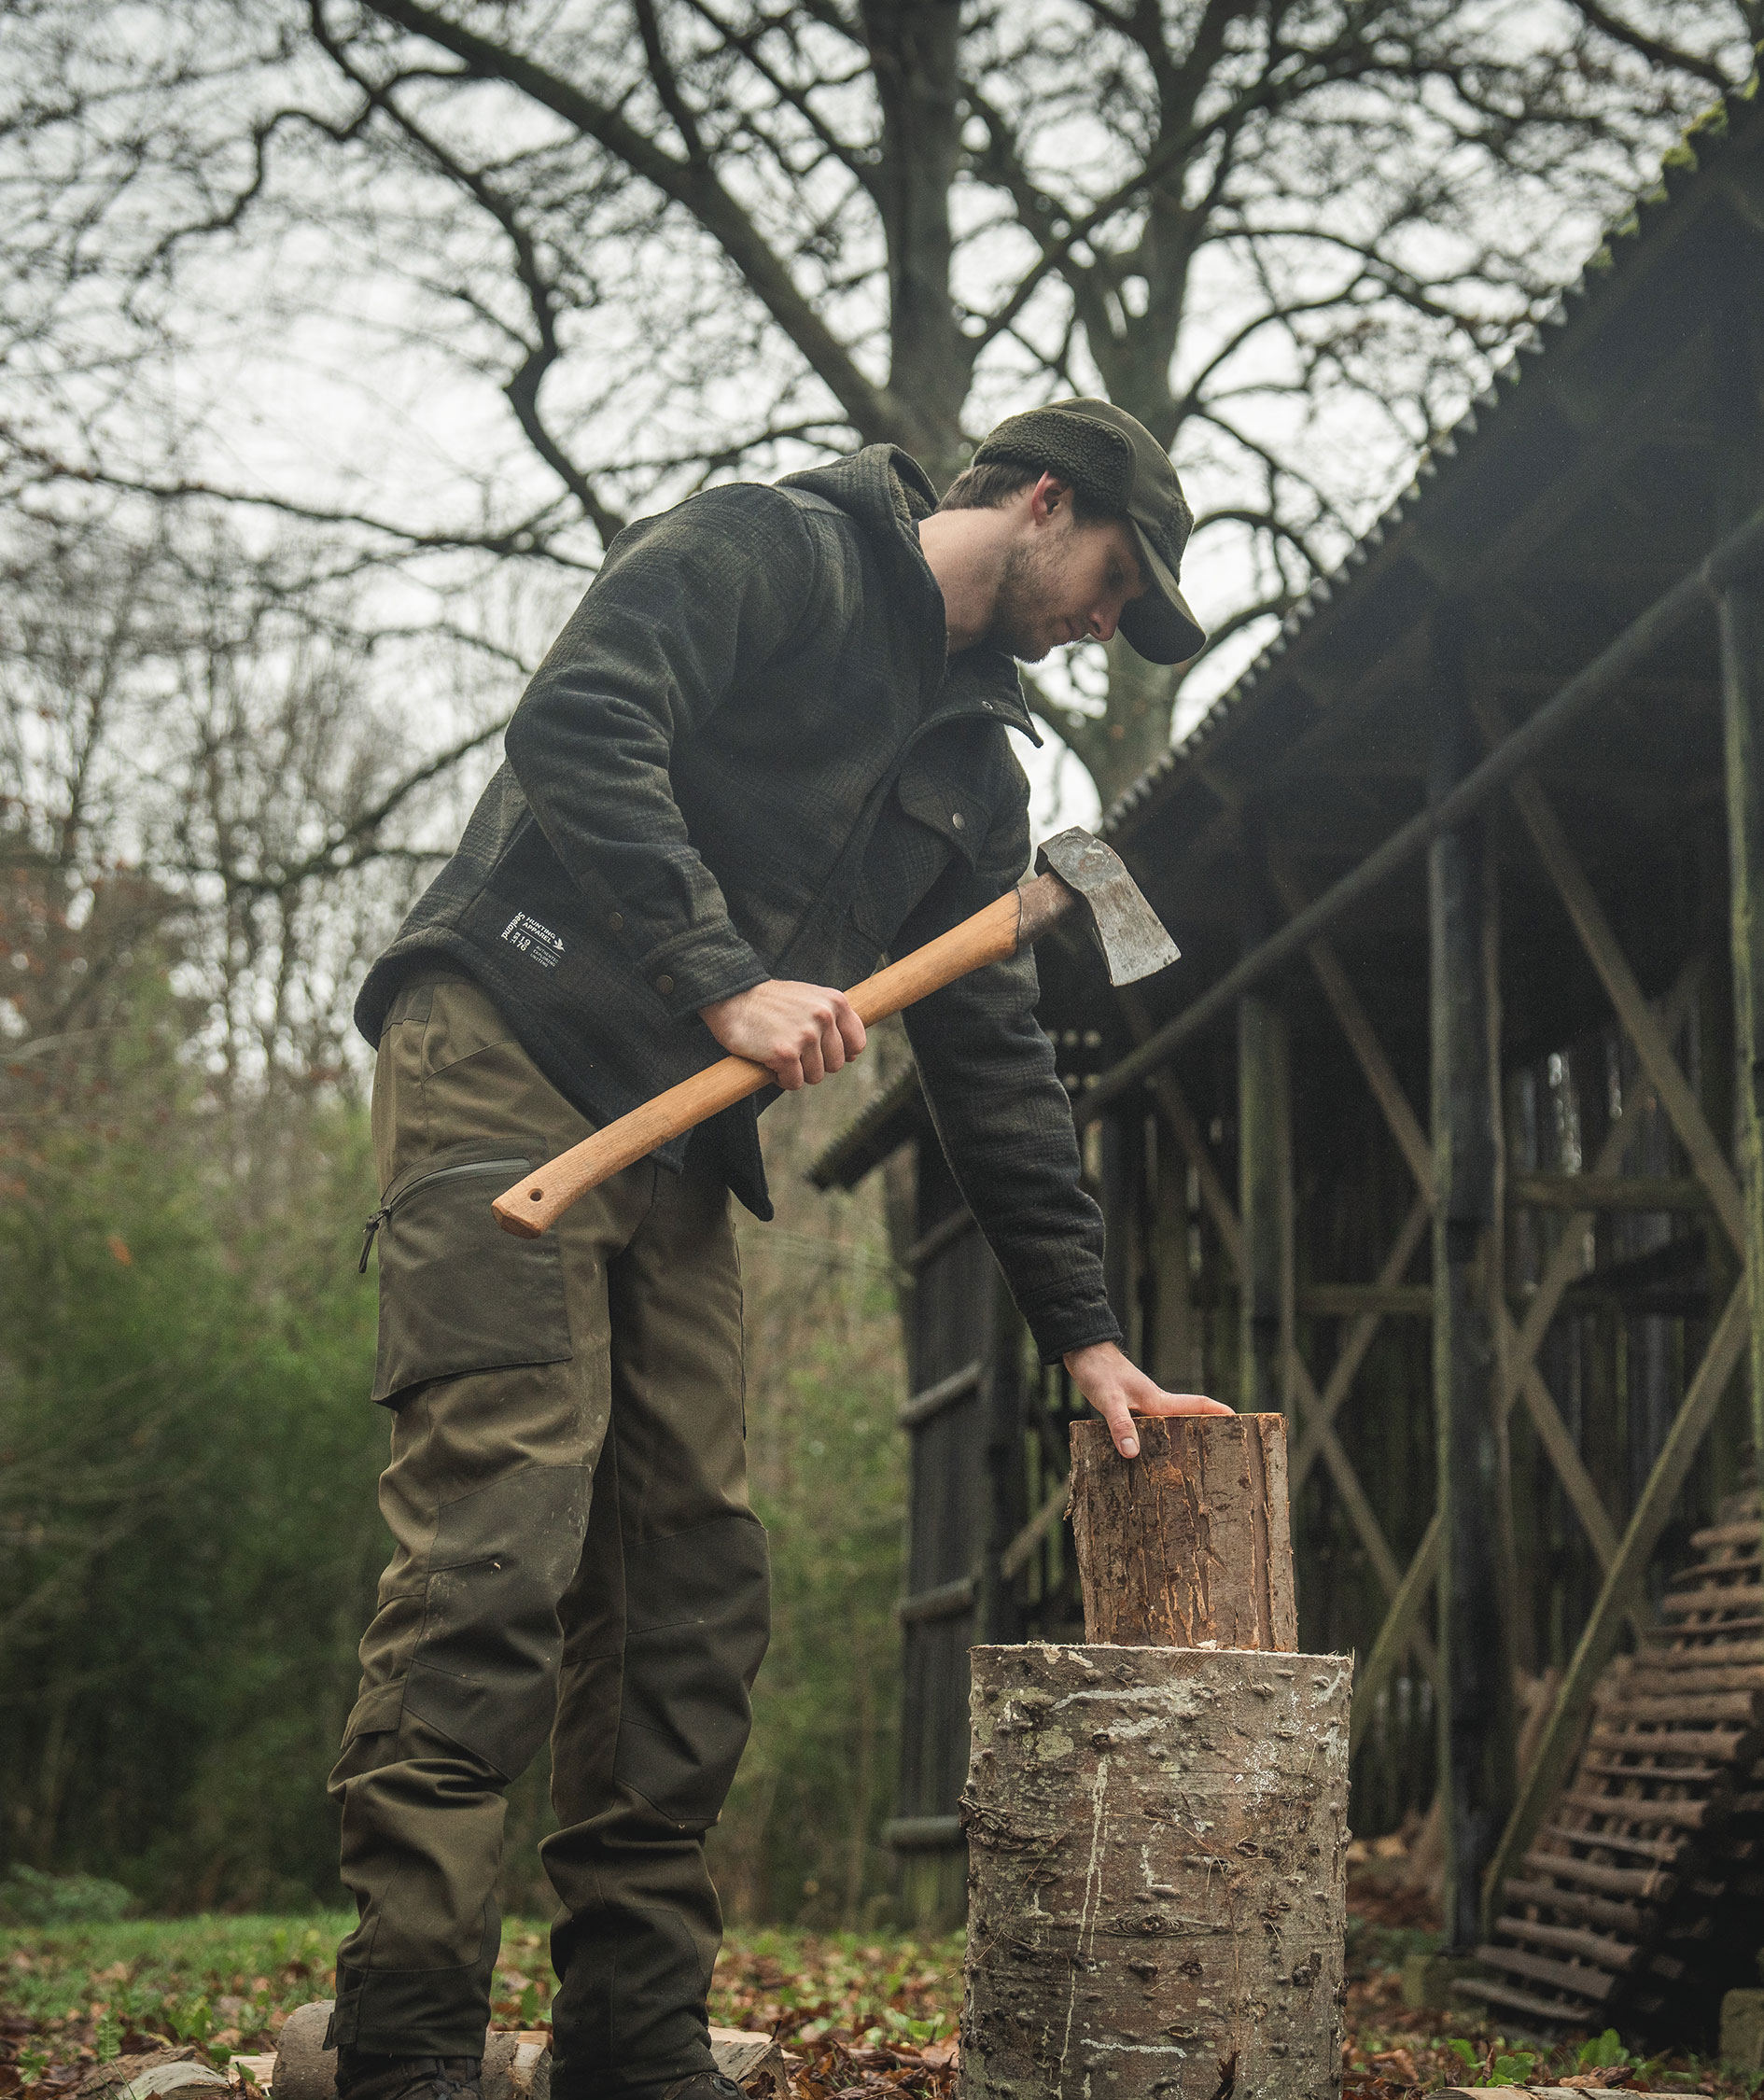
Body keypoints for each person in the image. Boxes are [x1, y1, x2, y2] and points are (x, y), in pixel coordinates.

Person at [331, 398, 1231, 2100]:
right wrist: (721, 975)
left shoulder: (977, 778)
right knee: (501, 1538)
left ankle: (633, 2043)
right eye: (1118, 580)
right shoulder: (775, 548)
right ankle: (406, 2042)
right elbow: (580, 720)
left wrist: (1087, 1331)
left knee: (690, 1577)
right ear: (1046, 502)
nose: (1110, 623)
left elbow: (993, 1066)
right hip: (509, 1048)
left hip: (675, 1137)